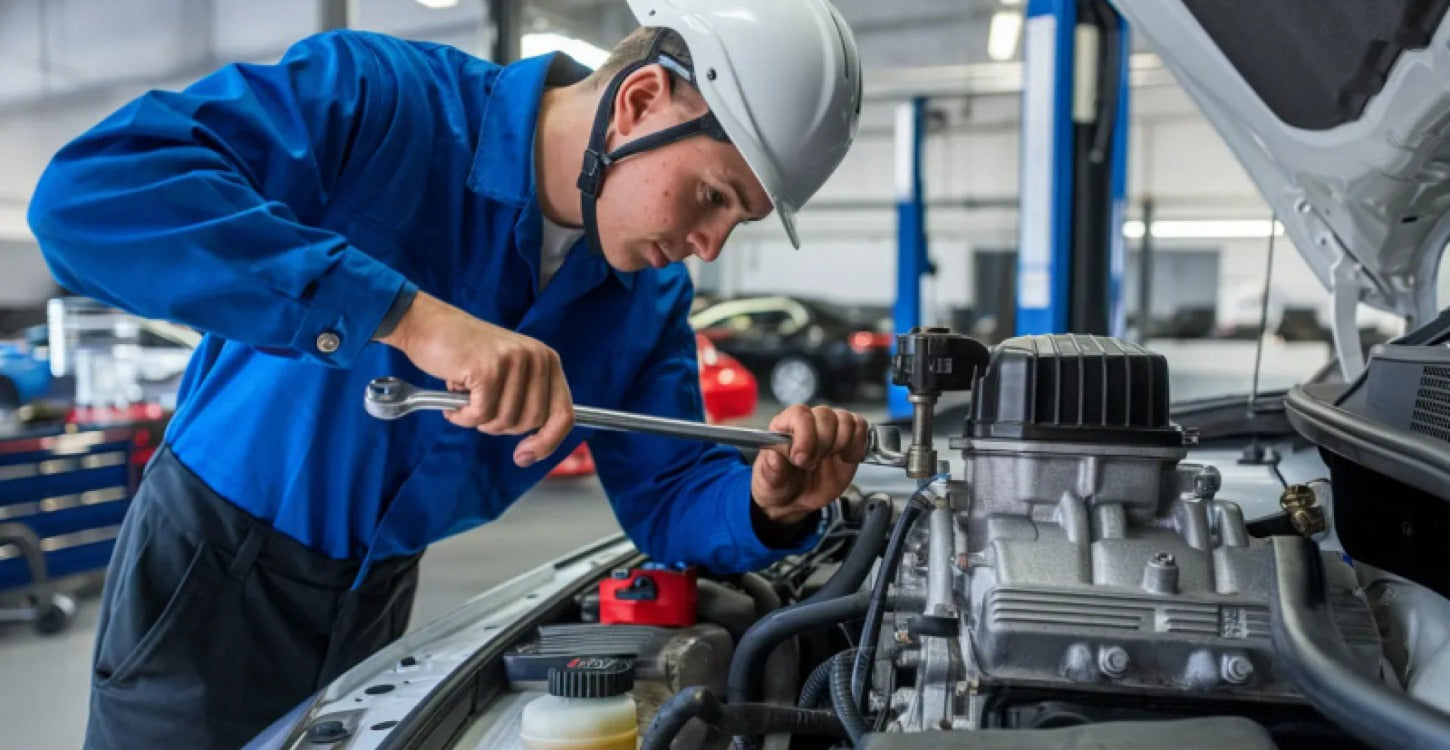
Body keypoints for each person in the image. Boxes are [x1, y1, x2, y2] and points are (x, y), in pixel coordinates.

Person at [27, 1, 864, 747]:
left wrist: (765, 502)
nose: (711, 245)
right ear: (642, 101)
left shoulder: (643, 295)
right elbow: (88, 196)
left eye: (739, 221)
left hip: (377, 598)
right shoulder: (379, 101)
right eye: (715, 196)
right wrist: (411, 318)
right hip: (209, 576)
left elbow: (670, 497)